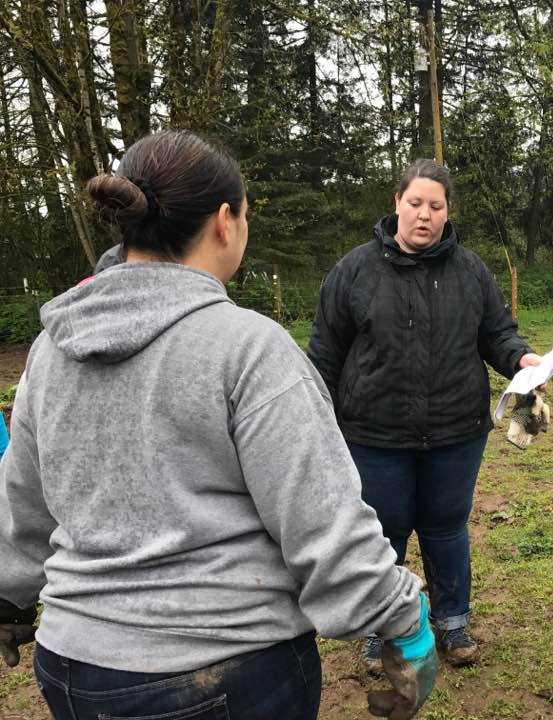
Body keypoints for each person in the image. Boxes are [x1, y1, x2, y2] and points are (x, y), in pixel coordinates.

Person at [0, 130, 438, 720]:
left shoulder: (51, 351)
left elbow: (21, 497)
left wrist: (8, 598)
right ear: (225, 221)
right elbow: (322, 520)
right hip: (223, 673)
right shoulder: (249, 349)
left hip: (70, 670)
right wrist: (403, 622)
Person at [307, 159, 540, 670]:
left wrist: (520, 358)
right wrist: (319, 423)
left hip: (456, 432)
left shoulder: (471, 271)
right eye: (415, 203)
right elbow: (325, 352)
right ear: (396, 204)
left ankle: (451, 621)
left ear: (446, 212)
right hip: (373, 434)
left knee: (445, 527)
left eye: (436, 206)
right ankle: (382, 628)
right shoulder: (355, 271)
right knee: (382, 533)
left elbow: (497, 333)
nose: (425, 215)